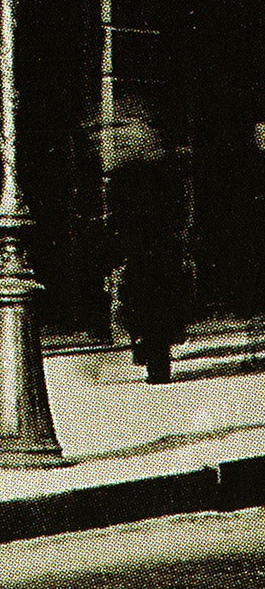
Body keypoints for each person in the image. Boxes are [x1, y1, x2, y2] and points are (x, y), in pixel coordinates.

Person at [97, 98, 191, 383]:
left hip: (142, 247)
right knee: (156, 297)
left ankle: (147, 344)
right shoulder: (160, 168)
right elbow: (178, 206)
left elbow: (114, 214)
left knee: (142, 297)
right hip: (155, 246)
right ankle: (154, 348)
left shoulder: (125, 172)